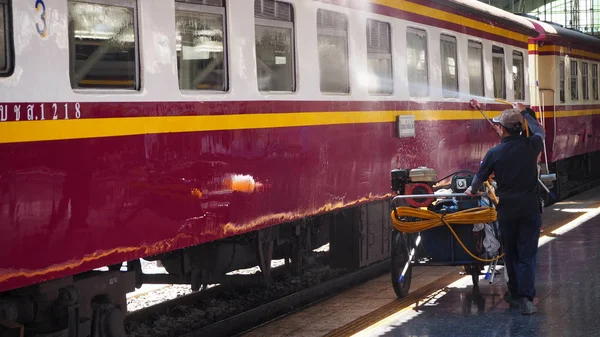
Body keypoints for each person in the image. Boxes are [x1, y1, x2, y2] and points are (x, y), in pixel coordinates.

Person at [465, 102, 545, 315]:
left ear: (502, 129)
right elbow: (539, 130)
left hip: (507, 212)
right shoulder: (533, 145)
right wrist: (526, 112)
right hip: (530, 210)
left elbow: (478, 179)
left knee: (510, 253)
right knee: (527, 254)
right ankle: (527, 298)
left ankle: (515, 294)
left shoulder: (495, 153)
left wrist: (471, 190)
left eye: (499, 126)